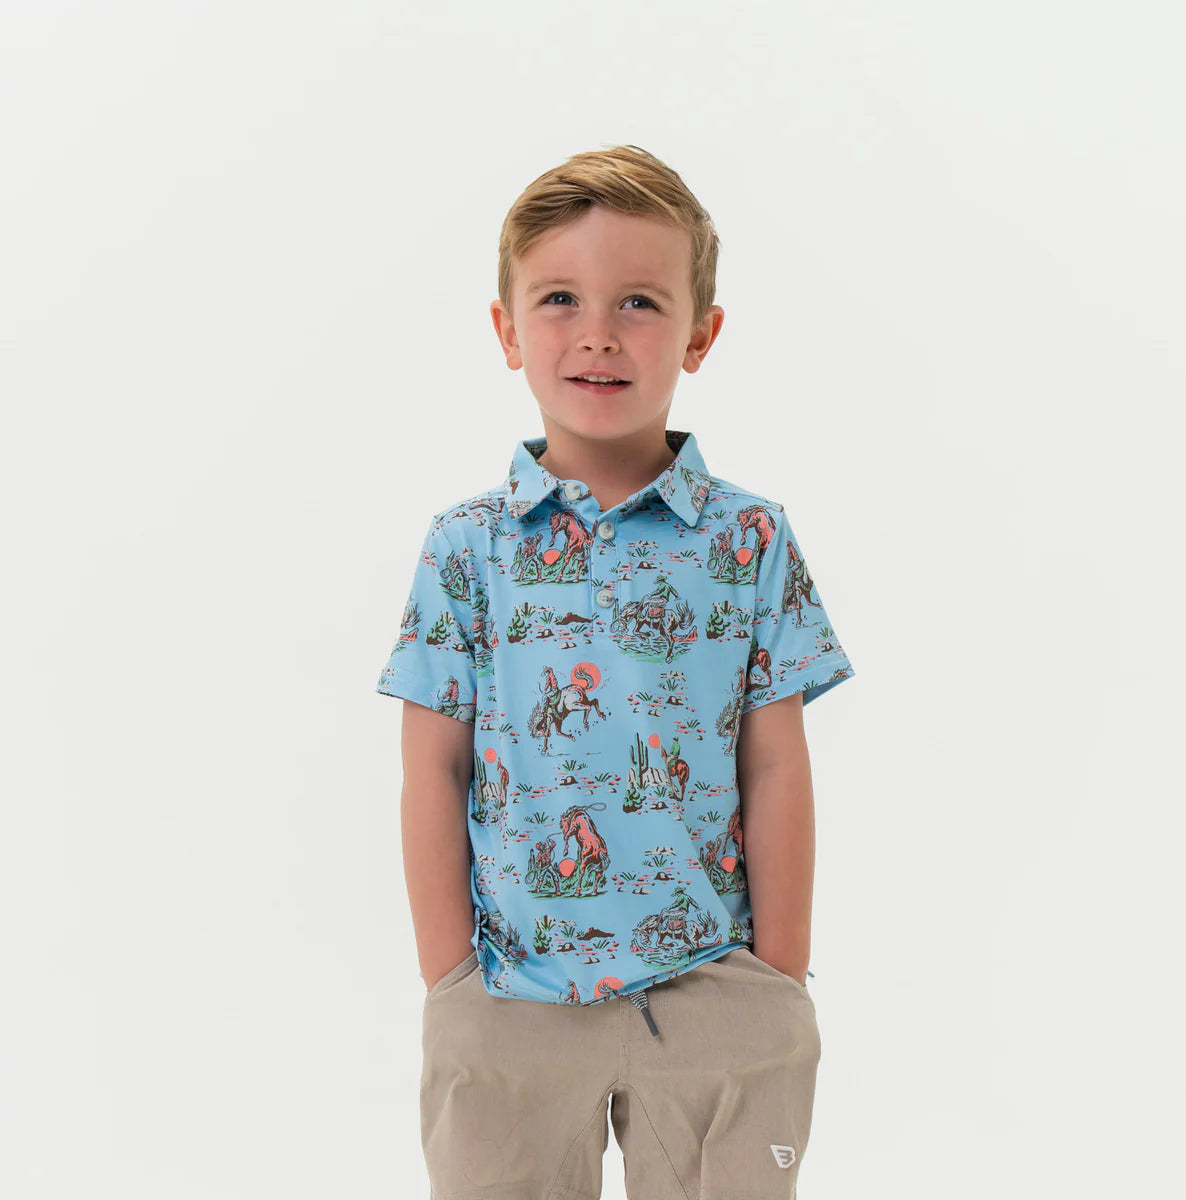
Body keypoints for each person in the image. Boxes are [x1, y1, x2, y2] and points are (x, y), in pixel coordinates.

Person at [376, 144, 855, 1199]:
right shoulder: (467, 546)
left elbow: (776, 763)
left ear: (700, 334)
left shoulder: (750, 539)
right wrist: (450, 980)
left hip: (716, 989)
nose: (598, 332)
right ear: (507, 330)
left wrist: (778, 977)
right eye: (560, 299)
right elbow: (432, 769)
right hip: (508, 999)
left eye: (639, 301)